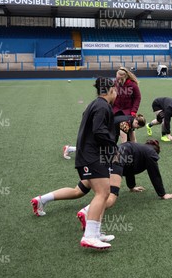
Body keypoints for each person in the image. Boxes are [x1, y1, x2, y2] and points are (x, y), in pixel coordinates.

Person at [32, 77, 118, 250]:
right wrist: (113, 146)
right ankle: (89, 236)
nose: (116, 93)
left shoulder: (95, 105)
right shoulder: (103, 106)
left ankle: (96, 232)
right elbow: (98, 130)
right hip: (91, 156)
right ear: (110, 91)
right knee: (102, 193)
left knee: (101, 193)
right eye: (115, 90)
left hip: (88, 155)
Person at [76, 139, 172, 230]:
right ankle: (87, 211)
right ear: (156, 151)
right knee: (110, 198)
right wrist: (162, 194)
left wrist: (131, 187)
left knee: (78, 191)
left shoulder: (138, 149)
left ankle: (86, 216)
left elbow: (129, 169)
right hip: (116, 159)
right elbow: (155, 174)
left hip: (105, 158)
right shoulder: (150, 153)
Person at [62, 114, 146, 159]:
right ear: (136, 122)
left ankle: (70, 149)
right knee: (97, 148)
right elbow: (124, 142)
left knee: (106, 149)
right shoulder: (125, 124)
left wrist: (137, 151)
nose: (137, 128)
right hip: (104, 130)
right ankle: (69, 149)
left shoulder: (132, 121)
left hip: (111, 131)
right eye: (138, 126)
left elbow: (133, 139)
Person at [112, 66, 142, 142]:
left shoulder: (133, 85)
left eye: (119, 79)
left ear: (124, 77)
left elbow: (137, 98)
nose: (117, 80)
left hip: (128, 112)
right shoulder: (114, 83)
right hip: (115, 111)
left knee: (128, 133)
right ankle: (112, 151)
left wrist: (133, 111)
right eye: (116, 78)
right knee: (113, 134)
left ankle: (130, 150)